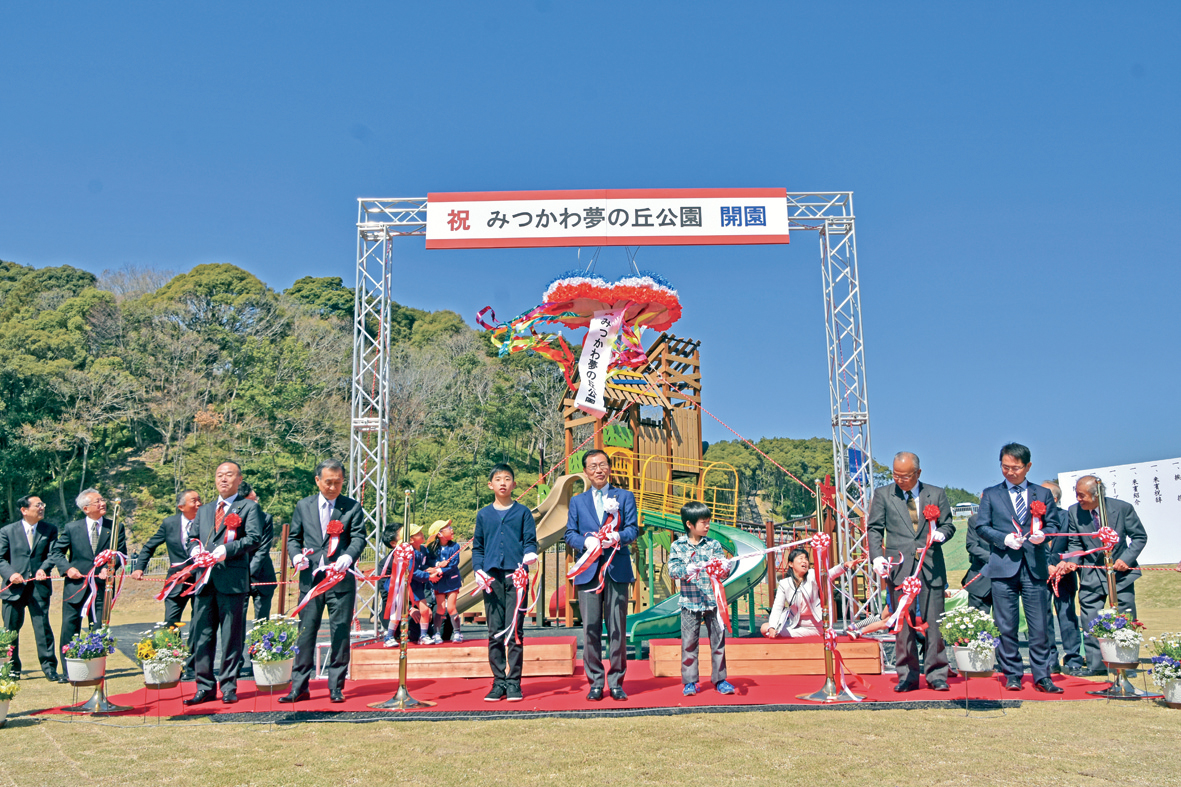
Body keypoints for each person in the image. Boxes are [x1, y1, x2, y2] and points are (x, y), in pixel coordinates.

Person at [974, 443, 1063, 693]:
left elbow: (1054, 523)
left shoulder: (1042, 494)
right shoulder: (991, 494)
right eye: (1005, 467)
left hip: (1034, 566)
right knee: (1006, 624)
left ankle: (1042, 675)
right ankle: (1012, 673)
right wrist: (1003, 539)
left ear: (1028, 467)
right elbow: (982, 527)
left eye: (1015, 467)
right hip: (1003, 567)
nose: (1010, 472)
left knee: (1039, 625)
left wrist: (1043, 535)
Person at [867, 452, 956, 692]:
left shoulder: (935, 494)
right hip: (899, 568)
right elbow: (874, 528)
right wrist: (876, 557)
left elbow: (949, 524)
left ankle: (937, 673)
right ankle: (907, 675)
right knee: (902, 624)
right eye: (895, 475)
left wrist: (942, 534)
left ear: (918, 473)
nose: (899, 480)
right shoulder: (884, 495)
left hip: (930, 566)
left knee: (934, 623)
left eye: (905, 476)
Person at [280, 459, 364, 704]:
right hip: (311, 581)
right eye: (328, 482)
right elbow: (294, 538)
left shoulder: (352, 507)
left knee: (340, 632)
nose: (333, 487)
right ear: (317, 480)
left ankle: (336, 686)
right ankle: (299, 687)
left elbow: (359, 537)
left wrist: (348, 556)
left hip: (341, 581)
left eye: (338, 482)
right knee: (306, 633)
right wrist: (295, 556)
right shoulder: (303, 506)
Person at [184, 461, 264, 706]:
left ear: (239, 479)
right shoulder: (206, 509)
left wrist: (225, 550)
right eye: (219, 475)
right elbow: (192, 537)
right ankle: (204, 687)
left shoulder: (248, 507)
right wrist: (195, 550)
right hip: (205, 582)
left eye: (229, 475)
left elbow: (253, 538)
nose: (224, 479)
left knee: (231, 637)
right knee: (202, 636)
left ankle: (228, 686)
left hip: (232, 580)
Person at [564, 449, 638, 702]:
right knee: (591, 629)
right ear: (585, 471)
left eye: (603, 464)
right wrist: (587, 543)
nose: (598, 469)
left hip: (617, 570)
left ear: (609, 468)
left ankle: (616, 682)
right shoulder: (577, 501)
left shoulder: (624, 497)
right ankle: (595, 682)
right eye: (593, 466)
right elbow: (570, 534)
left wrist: (618, 536)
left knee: (617, 628)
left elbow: (633, 529)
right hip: (588, 572)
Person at [1066, 474, 1148, 677]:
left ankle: (1125, 665)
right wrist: (1073, 562)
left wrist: (1126, 559)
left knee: (1125, 620)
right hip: (1091, 575)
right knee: (1090, 620)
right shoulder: (1074, 512)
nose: (1078, 499)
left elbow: (1139, 536)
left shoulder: (1122, 508)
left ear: (1096, 495)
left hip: (1120, 576)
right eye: (1076, 494)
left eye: (1082, 495)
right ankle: (1096, 666)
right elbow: (1075, 542)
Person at [472, 463, 538, 703]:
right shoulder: (483, 514)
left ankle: (514, 683)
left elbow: (531, 541)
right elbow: (477, 547)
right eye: (498, 479)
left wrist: (530, 554)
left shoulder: (523, 513)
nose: (502, 483)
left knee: (515, 631)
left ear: (514, 484)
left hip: (516, 576)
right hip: (491, 579)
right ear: (490, 485)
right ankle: (498, 681)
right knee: (495, 630)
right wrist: (478, 569)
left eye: (507, 478)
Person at [667, 502, 736, 696]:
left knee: (718, 642)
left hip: (714, 603)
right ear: (689, 524)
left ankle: (720, 680)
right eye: (703, 522)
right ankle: (690, 682)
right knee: (689, 644)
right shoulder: (678, 546)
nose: (707, 526)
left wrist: (724, 567)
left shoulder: (713, 544)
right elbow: (672, 571)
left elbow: (724, 571)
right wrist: (685, 570)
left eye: (708, 522)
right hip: (689, 603)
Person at [132, 489, 202, 681]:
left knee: (199, 622)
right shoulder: (169, 523)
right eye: (193, 501)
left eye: (199, 500)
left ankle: (194, 666)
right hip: (175, 581)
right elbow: (149, 546)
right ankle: (172, 663)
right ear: (181, 506)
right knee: (170, 623)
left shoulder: (206, 521)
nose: (198, 504)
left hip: (200, 579)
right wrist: (139, 568)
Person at [51, 489, 127, 657]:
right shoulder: (72, 528)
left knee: (99, 628)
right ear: (86, 508)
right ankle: (69, 669)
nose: (103, 503)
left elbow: (121, 554)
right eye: (97, 501)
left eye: (103, 500)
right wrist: (67, 569)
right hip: (76, 587)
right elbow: (56, 552)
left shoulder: (115, 527)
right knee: (70, 628)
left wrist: (109, 568)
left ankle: (96, 669)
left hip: (102, 588)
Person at [0, 496, 60, 682]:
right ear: (24, 510)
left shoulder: (50, 530)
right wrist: (10, 574)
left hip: (38, 588)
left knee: (43, 628)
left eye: (43, 504)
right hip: (13, 590)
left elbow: (53, 554)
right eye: (38, 505)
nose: (42, 507)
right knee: (10, 631)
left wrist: (44, 568)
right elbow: (1, 559)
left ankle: (49, 668)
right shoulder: (7, 531)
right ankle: (12, 668)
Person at [1040, 480, 1085, 676]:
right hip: (1040, 575)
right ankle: (1050, 659)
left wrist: (1064, 564)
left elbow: (1076, 543)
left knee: (1067, 616)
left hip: (1064, 575)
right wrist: (1045, 566)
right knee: (1043, 619)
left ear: (1054, 498)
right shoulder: (1031, 519)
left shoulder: (1068, 517)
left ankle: (1073, 658)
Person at [762, 547, 855, 639]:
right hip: (794, 625)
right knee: (765, 628)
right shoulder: (784, 583)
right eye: (801, 558)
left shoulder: (812, 575)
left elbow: (829, 574)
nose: (804, 561)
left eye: (806, 559)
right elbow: (777, 607)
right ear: (791, 564)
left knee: (776, 633)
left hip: (815, 627)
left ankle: (815, 634)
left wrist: (844, 566)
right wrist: (772, 627)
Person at [427, 519, 463, 643]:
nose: (452, 530)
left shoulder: (455, 546)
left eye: (451, 527)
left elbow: (454, 564)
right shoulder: (432, 548)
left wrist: (441, 570)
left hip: (452, 581)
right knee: (440, 608)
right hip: (438, 582)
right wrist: (437, 565)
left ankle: (458, 633)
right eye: (448, 528)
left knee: (451, 608)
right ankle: (436, 633)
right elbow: (430, 561)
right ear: (440, 534)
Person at [408, 524, 437, 645]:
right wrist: (428, 576)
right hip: (407, 586)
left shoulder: (423, 549)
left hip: (418, 585)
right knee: (397, 613)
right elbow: (412, 571)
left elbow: (422, 565)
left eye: (421, 531)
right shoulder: (409, 552)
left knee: (424, 611)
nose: (422, 534)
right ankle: (389, 636)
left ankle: (423, 635)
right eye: (418, 533)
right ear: (411, 539)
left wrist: (430, 569)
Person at [962, 510, 993, 613]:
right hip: (980, 581)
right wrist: (994, 559)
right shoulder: (975, 520)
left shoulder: (1011, 519)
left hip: (1006, 582)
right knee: (978, 624)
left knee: (1005, 625)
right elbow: (972, 545)